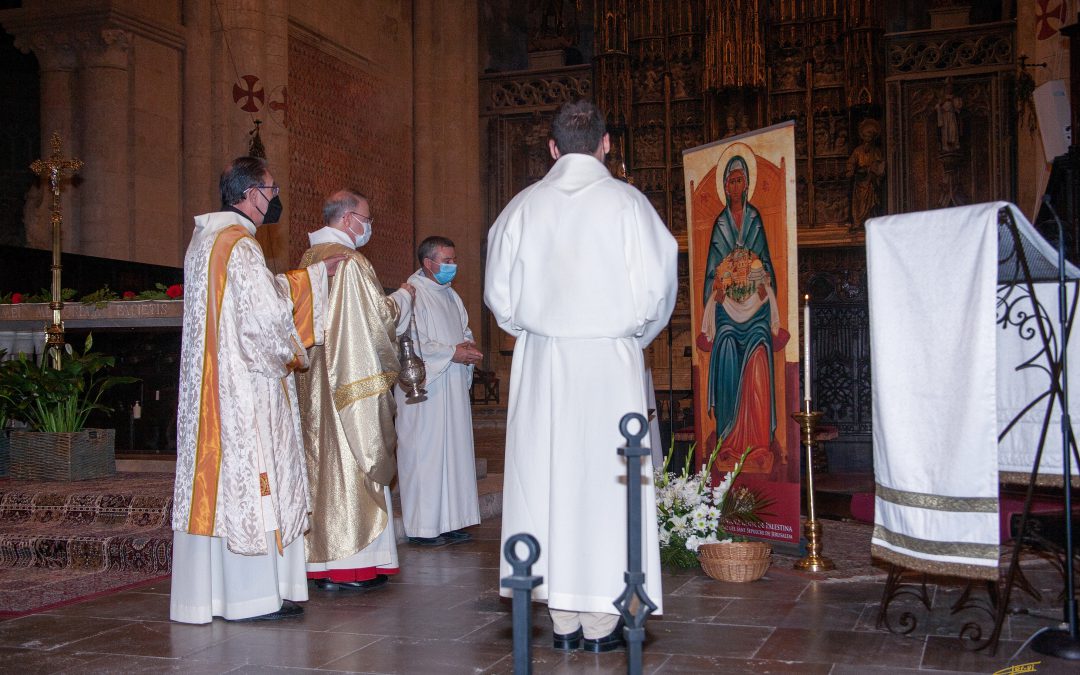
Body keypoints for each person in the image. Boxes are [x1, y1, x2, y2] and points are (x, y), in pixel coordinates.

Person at [485, 99, 678, 653]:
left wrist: (534, 329)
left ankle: (564, 622)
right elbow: (659, 291)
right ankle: (601, 623)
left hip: (543, 360)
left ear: (551, 148)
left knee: (545, 478)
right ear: (607, 143)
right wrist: (629, 339)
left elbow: (499, 295)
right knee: (607, 484)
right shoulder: (629, 204)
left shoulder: (522, 207)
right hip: (609, 365)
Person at [170, 156, 343, 623]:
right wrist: (294, 340)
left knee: (219, 489)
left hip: (212, 388)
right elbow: (265, 323)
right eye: (270, 189)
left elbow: (254, 300)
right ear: (248, 194)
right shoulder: (241, 248)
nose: (275, 199)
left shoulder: (204, 242)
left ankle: (214, 596)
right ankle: (254, 596)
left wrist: (303, 282)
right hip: (246, 391)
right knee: (253, 481)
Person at [296, 189, 413, 592]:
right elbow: (379, 319)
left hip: (315, 383)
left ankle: (322, 564)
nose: (369, 226)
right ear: (347, 219)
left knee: (320, 461)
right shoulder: (351, 261)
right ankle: (354, 565)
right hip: (348, 382)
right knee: (349, 460)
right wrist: (403, 298)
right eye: (366, 218)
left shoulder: (309, 260)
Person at [394, 235, 482, 546]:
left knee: (452, 454)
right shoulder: (411, 294)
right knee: (426, 456)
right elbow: (408, 341)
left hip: (452, 385)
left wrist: (467, 349)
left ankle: (448, 521)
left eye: (453, 260)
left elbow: (464, 329)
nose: (452, 266)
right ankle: (422, 526)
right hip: (425, 389)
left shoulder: (451, 296)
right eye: (446, 261)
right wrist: (451, 353)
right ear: (428, 263)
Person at [699, 154, 782, 475]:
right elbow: (711, 273)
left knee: (760, 353)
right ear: (725, 186)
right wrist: (721, 282)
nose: (734, 185)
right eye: (730, 180)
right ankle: (729, 441)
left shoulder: (755, 218)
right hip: (728, 313)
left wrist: (756, 277)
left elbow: (765, 267)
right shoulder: (720, 223)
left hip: (756, 313)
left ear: (747, 183)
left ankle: (759, 443)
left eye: (739, 179)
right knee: (727, 349)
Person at [847, 118, 885, 231]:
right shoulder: (858, 151)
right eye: (866, 137)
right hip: (860, 181)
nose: (868, 140)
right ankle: (858, 222)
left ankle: (870, 221)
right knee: (859, 204)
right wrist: (851, 170)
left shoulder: (876, 151)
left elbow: (880, 165)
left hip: (871, 182)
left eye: (870, 137)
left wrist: (876, 170)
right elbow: (851, 163)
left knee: (871, 204)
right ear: (863, 137)